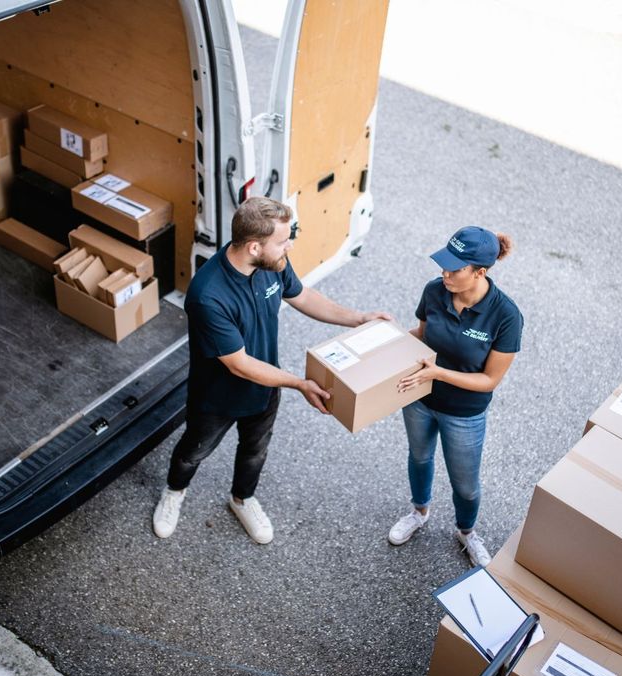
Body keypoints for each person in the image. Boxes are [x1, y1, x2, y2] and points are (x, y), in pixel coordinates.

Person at [153, 196, 389, 544]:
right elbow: (239, 364)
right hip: (216, 399)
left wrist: (359, 318)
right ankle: (174, 493)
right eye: (282, 241)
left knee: (255, 451)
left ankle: (242, 499)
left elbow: (302, 295)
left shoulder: (272, 263)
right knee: (193, 452)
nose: (289, 246)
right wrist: (299, 383)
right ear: (253, 247)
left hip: (265, 388)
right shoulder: (208, 296)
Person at [389, 226, 523, 566]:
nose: (444, 273)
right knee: (419, 457)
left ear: (479, 272)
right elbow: (419, 335)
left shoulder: (505, 315)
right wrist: (379, 341)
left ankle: (466, 531)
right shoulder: (434, 291)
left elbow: (490, 380)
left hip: (464, 413)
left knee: (465, 483)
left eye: (455, 268)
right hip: (419, 398)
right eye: (443, 264)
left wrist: (439, 374)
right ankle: (419, 512)